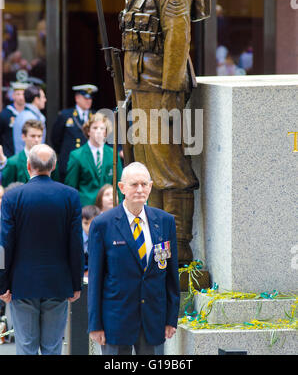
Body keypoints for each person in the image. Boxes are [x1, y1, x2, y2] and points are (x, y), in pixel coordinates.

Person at [119, 0, 201, 263]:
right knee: (144, 167)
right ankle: (155, 246)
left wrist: (169, 96)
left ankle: (179, 250)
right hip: (140, 88)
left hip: (160, 92)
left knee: (170, 171)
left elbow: (178, 42)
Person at [0, 144, 84, 355]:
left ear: (28, 166)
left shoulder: (12, 197)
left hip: (22, 282)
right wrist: (76, 282)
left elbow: (4, 243)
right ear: (54, 166)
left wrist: (2, 283)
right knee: (53, 347)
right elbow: (75, 243)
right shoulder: (70, 196)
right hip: (58, 283)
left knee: (26, 347)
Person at [88, 161, 180, 355]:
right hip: (116, 320)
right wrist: (95, 324)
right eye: (134, 184)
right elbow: (96, 278)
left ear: (151, 186)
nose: (140, 189)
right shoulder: (103, 224)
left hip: (153, 320)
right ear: (122, 187)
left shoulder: (165, 222)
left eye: (144, 184)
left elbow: (171, 276)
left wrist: (171, 318)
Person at [65, 112, 123, 207]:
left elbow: (119, 183)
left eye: (102, 128)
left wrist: (119, 206)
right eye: (95, 128)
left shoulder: (113, 154)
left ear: (106, 132)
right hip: (86, 208)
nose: (98, 131)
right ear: (88, 131)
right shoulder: (76, 155)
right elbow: (71, 187)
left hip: (109, 207)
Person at [51, 84, 98, 182]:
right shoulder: (66, 115)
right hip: (69, 161)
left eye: (90, 98)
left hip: (88, 162)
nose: (88, 101)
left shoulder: (95, 116)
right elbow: (56, 139)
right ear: (77, 98)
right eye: (85, 98)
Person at [1, 119, 59, 187]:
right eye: (33, 136)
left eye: (39, 136)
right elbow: (7, 190)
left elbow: (56, 185)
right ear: (23, 137)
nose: (36, 140)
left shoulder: (50, 160)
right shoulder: (13, 162)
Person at [13, 85, 47, 154]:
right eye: (43, 97)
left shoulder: (23, 115)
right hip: (29, 160)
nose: (45, 100)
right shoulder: (30, 118)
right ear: (36, 99)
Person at [0, 82, 28, 158]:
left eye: (23, 94)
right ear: (13, 96)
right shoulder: (5, 114)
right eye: (18, 94)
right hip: (9, 155)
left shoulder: (29, 113)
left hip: (26, 155)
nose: (21, 97)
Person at [81, 205, 100, 273]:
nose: (89, 227)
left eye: (92, 223)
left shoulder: (102, 238)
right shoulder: (78, 239)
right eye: (86, 223)